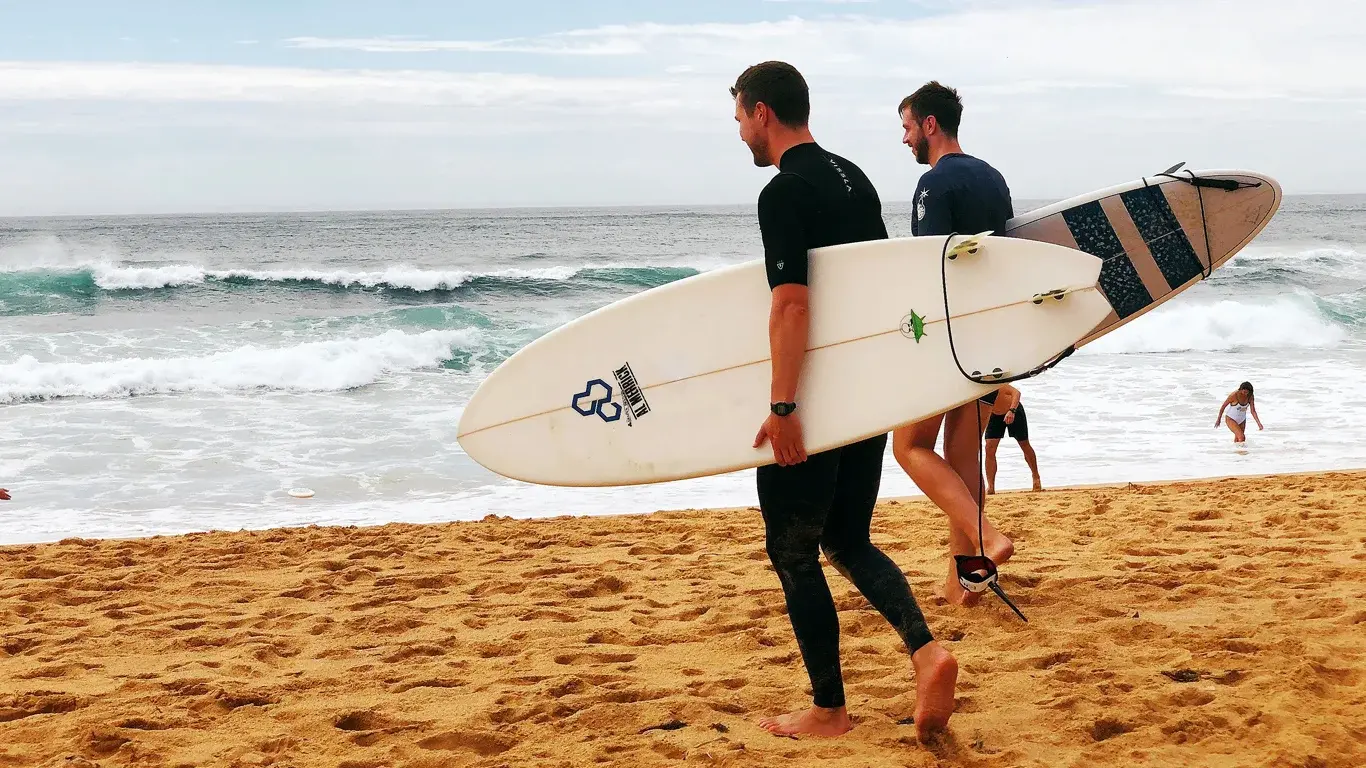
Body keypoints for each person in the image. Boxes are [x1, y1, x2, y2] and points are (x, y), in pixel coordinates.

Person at [734, 61, 957, 742]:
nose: (740, 131)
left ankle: (829, 710)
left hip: (818, 402)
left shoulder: (784, 191)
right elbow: (877, 290)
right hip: (864, 392)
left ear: (764, 112)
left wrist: (782, 407)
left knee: (793, 549)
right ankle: (926, 652)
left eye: (740, 117)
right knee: (847, 537)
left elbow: (792, 302)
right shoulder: (853, 176)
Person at [890, 81, 1016, 607]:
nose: (904, 140)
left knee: (909, 446)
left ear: (929, 126)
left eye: (906, 127)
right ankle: (964, 585)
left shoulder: (933, 184)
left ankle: (985, 538)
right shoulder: (994, 179)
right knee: (962, 465)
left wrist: (907, 335)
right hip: (987, 335)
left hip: (947, 337)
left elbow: (931, 268)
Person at [982, 384, 1041, 495]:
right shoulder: (975, 389)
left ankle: (1035, 476)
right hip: (994, 415)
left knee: (1024, 444)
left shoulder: (995, 384)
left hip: (1013, 410)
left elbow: (1016, 393)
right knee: (989, 448)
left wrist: (1012, 411)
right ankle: (991, 486)